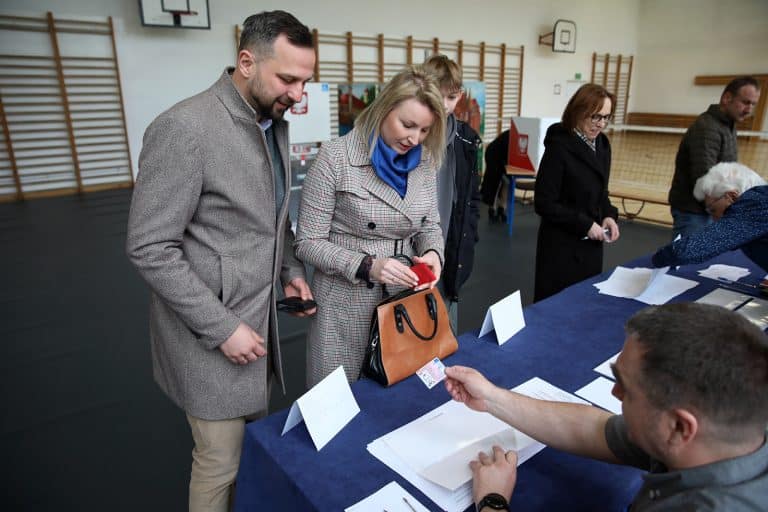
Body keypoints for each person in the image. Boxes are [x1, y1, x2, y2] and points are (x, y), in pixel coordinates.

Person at [125, 11, 316, 512]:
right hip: (210, 331)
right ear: (247, 62)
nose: (299, 94)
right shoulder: (183, 128)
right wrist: (220, 327)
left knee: (251, 452)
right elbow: (149, 247)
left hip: (257, 325)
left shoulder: (270, 121)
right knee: (219, 463)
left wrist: (292, 273)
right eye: (289, 79)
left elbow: (274, 216)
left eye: (305, 81)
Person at [447, 303, 768, 511]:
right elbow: (593, 429)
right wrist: (491, 398)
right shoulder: (721, 437)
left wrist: (492, 502)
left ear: (680, 427)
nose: (614, 393)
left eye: (626, 388)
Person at [295, 67, 445, 386]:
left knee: (398, 399)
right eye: (407, 125)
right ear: (383, 107)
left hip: (404, 297)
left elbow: (429, 224)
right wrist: (366, 265)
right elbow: (307, 242)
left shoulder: (426, 162)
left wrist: (434, 254)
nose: (414, 138)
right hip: (345, 304)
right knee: (339, 402)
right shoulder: (335, 158)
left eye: (424, 130)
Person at [533, 84, 620, 302]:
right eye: (595, 117)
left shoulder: (602, 145)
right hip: (561, 248)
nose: (601, 124)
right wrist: (585, 224)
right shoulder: (559, 148)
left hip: (591, 246)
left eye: (606, 117)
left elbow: (601, 192)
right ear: (578, 112)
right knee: (556, 307)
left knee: (583, 307)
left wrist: (609, 214)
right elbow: (544, 202)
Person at [422, 54, 482, 332]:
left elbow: (471, 197)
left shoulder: (467, 139)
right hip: (409, 258)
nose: (445, 106)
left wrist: (468, 237)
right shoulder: (407, 137)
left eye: (453, 97)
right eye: (438, 95)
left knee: (446, 337)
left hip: (450, 254)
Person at [668, 76, 761, 238]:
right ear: (727, 98)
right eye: (746, 102)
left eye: (753, 104)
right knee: (689, 261)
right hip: (694, 213)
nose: (749, 109)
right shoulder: (707, 128)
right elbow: (705, 177)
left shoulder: (727, 125)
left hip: (709, 210)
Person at [653, 162, 768, 271]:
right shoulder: (761, 196)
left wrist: (659, 258)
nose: (713, 218)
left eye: (713, 210)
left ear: (732, 196)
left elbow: (690, 250)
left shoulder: (751, 206)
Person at [481, 129, 510, 223]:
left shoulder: (518, 136)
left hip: (503, 158)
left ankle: (502, 209)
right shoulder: (510, 136)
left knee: (506, 182)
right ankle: (492, 209)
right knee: (494, 182)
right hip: (493, 155)